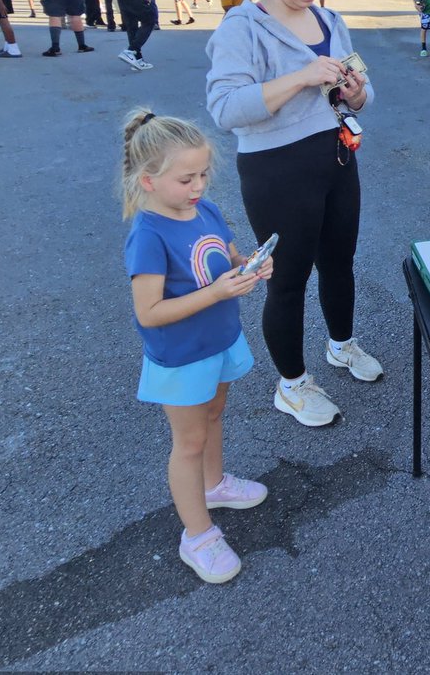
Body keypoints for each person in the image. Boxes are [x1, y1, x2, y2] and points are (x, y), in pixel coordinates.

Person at [206, 0, 379, 427]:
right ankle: (293, 384)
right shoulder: (242, 26)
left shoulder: (331, 21)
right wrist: (302, 77)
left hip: (337, 156)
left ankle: (341, 346)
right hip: (276, 169)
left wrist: (356, 93)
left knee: (340, 262)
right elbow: (225, 107)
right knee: (287, 281)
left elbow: (364, 91)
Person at [121, 109, 271, 583]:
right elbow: (148, 312)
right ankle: (197, 535)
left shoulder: (203, 209)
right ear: (148, 181)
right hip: (183, 355)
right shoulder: (147, 235)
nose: (199, 185)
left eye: (204, 174)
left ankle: (214, 484)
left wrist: (249, 264)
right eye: (187, 178)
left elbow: (224, 254)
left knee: (212, 417)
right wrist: (217, 292)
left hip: (219, 338)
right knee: (188, 442)